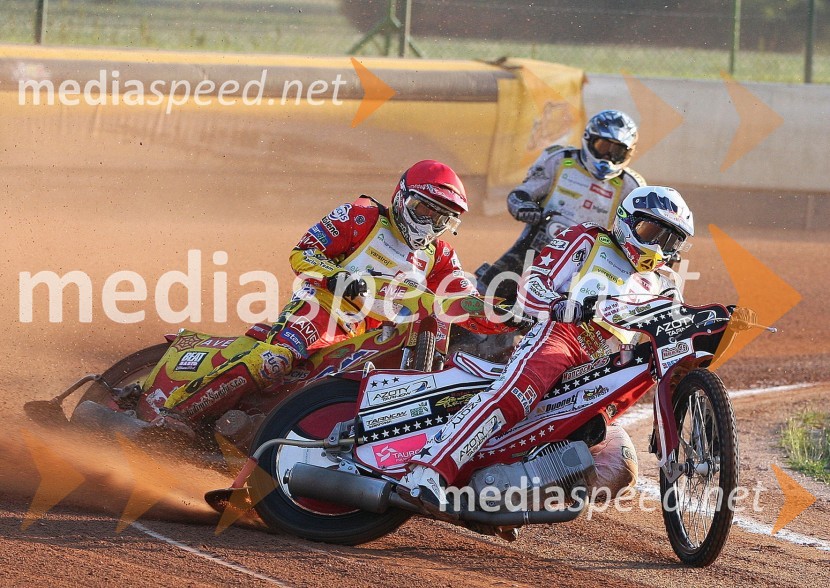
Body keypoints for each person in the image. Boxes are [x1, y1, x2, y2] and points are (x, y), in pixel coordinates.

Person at [398, 185, 694, 519]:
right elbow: (534, 283)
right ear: (627, 220)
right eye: (651, 232)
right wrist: (558, 304)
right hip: (563, 335)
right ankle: (427, 471)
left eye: (671, 241)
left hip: (609, 364)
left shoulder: (666, 282)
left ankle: (501, 500)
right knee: (512, 398)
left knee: (618, 463)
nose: (658, 248)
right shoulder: (587, 239)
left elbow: (673, 333)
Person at [157, 160, 516, 434]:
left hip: (376, 337)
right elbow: (303, 253)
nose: (430, 223)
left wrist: (509, 314)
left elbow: (463, 302)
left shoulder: (440, 256)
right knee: (275, 360)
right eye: (425, 209)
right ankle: (173, 416)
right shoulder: (360, 217)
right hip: (322, 310)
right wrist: (336, 275)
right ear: (403, 196)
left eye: (442, 218)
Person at [477, 109, 646, 300]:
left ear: (628, 153)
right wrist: (525, 208)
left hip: (584, 266)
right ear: (588, 139)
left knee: (565, 317)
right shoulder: (559, 159)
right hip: (534, 251)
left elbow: (639, 230)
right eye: (603, 146)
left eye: (617, 152)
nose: (607, 157)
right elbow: (519, 195)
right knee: (486, 295)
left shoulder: (632, 186)